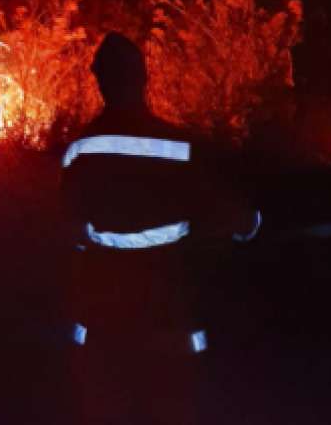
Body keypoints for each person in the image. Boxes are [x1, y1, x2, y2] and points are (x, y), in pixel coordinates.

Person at [61, 32, 261, 425]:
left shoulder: (79, 150)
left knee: (107, 407)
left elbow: (67, 228)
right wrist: (251, 224)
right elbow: (223, 212)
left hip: (104, 318)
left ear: (100, 81)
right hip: (167, 309)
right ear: (142, 77)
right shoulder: (177, 146)